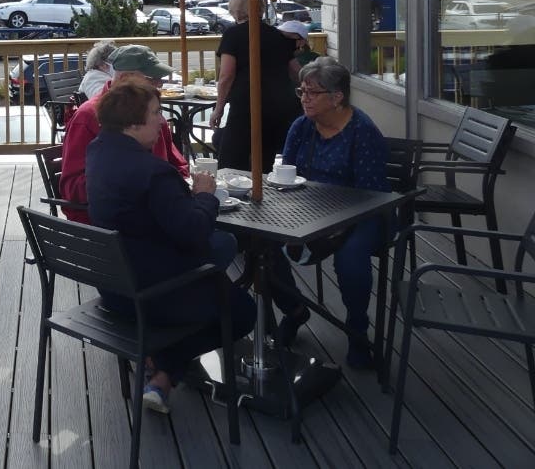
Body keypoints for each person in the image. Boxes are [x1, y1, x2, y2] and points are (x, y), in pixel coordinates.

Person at [85, 80, 255, 414]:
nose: (162, 121)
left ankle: (163, 371)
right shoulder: (153, 173)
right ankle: (167, 366)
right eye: (156, 113)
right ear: (133, 124)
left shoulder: (98, 151)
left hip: (115, 290)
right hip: (152, 295)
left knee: (222, 250)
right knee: (242, 311)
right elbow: (193, 232)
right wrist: (206, 195)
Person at [266, 57, 390, 369]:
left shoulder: (363, 132)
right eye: (302, 92)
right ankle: (294, 310)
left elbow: (371, 194)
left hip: (361, 213)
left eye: (312, 93)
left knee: (351, 258)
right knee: (261, 244)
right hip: (307, 209)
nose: (304, 98)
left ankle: (357, 331)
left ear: (337, 98)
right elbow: (288, 173)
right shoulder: (302, 126)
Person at [60, 44, 189, 223]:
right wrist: (138, 185)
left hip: (160, 210)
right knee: (218, 241)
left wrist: (179, 188)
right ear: (125, 78)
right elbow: (71, 188)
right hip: (114, 224)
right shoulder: (88, 116)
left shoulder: (153, 113)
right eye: (152, 79)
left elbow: (178, 164)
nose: (159, 85)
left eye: (160, 79)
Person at [211, 0, 302, 174]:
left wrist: (218, 109)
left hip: (247, 106)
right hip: (277, 108)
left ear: (236, 11)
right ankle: (262, 199)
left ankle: (236, 197)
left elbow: (226, 75)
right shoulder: (277, 35)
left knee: (230, 163)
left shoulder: (233, 35)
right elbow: (296, 72)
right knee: (263, 164)